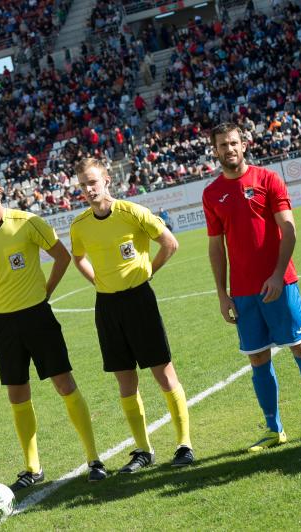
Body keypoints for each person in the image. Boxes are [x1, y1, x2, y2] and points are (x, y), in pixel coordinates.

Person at [202, 123, 301, 451]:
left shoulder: (267, 179)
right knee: (258, 358)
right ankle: (273, 428)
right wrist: (223, 294)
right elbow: (215, 248)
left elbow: (289, 229)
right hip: (244, 293)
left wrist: (278, 274)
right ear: (215, 150)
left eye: (233, 142)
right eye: (222, 145)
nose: (229, 149)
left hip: (281, 284)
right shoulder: (211, 194)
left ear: (243, 144)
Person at [0, 168, 107, 490]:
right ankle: (32, 467)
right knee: (17, 394)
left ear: (0, 190)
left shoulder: (28, 222)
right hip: (3, 323)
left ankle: (93, 458)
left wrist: (46, 291)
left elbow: (62, 256)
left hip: (37, 317)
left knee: (64, 383)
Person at [70, 158, 194, 470]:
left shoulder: (131, 212)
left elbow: (170, 243)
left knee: (164, 374)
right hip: (107, 306)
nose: (89, 189)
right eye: (83, 184)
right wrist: (96, 280)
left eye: (93, 182)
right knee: (125, 382)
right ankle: (143, 450)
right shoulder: (80, 225)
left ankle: (184, 445)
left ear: (106, 180)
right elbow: (78, 257)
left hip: (139, 301)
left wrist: (149, 270)